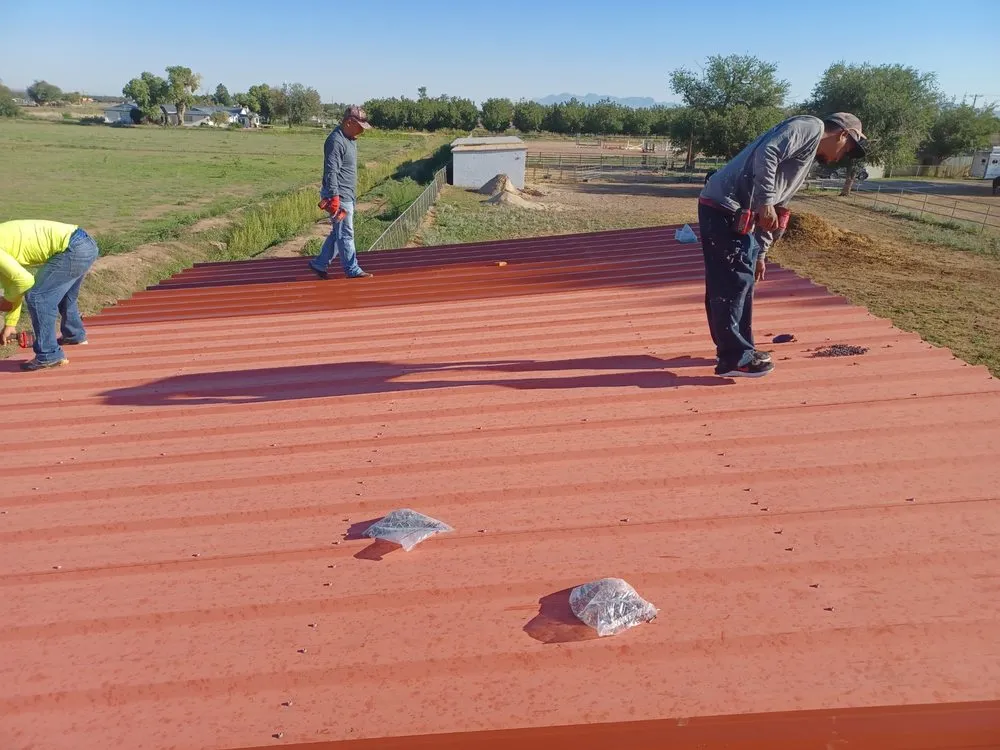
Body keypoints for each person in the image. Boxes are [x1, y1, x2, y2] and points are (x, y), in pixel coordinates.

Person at [698, 112, 867, 378]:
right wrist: (765, 201)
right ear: (842, 134)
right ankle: (733, 358)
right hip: (723, 207)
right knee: (732, 282)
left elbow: (778, 208)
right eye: (846, 149)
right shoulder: (811, 127)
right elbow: (769, 151)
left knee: (742, 280)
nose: (841, 157)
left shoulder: (802, 160)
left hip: (737, 214)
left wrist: (762, 252)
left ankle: (742, 349)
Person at [0, 219, 99, 371]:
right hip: (83, 242)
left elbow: (24, 282)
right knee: (64, 295)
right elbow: (14, 286)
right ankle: (74, 335)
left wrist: (7, 301)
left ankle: (48, 355)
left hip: (72, 247)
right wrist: (10, 324)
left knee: (38, 297)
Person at [309, 105, 374, 280]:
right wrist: (334, 197)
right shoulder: (335, 141)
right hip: (339, 195)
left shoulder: (350, 139)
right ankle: (352, 270)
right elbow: (331, 172)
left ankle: (320, 263)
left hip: (348, 194)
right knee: (346, 233)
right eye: (359, 126)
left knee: (338, 233)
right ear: (349, 122)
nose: (362, 130)